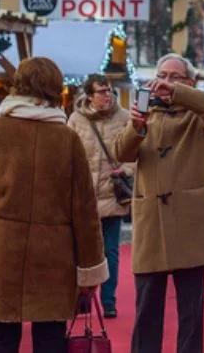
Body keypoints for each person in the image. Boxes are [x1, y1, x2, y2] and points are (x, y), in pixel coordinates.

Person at [0, 57, 108, 353]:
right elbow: (85, 211)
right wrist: (89, 268)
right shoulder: (67, 139)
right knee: (50, 337)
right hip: (53, 256)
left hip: (0, 250)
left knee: (0, 336)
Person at [115, 54, 204, 353]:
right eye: (161, 74)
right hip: (152, 220)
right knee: (147, 307)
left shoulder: (200, 116)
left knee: (191, 311)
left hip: (190, 222)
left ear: (190, 83)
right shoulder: (144, 111)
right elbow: (122, 153)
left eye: (174, 77)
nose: (164, 81)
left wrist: (175, 91)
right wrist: (135, 127)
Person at [67, 74, 133, 319]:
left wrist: (126, 170)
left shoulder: (125, 118)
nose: (108, 95)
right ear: (89, 95)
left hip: (112, 194)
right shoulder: (76, 120)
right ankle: (82, 297)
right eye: (102, 91)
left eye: (109, 91)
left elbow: (136, 152)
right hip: (84, 197)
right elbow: (67, 155)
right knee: (81, 252)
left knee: (111, 252)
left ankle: (109, 300)